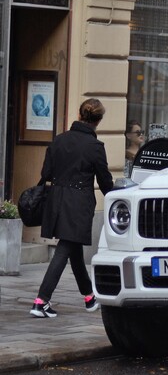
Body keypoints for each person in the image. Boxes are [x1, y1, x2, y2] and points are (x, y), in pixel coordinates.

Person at [30, 98, 114, 318]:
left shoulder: (59, 140)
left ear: (80, 115)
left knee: (73, 250)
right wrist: (116, 198)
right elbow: (105, 182)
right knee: (64, 249)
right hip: (78, 204)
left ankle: (89, 298)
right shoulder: (95, 147)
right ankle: (41, 301)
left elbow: (46, 173)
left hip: (56, 201)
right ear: (98, 121)